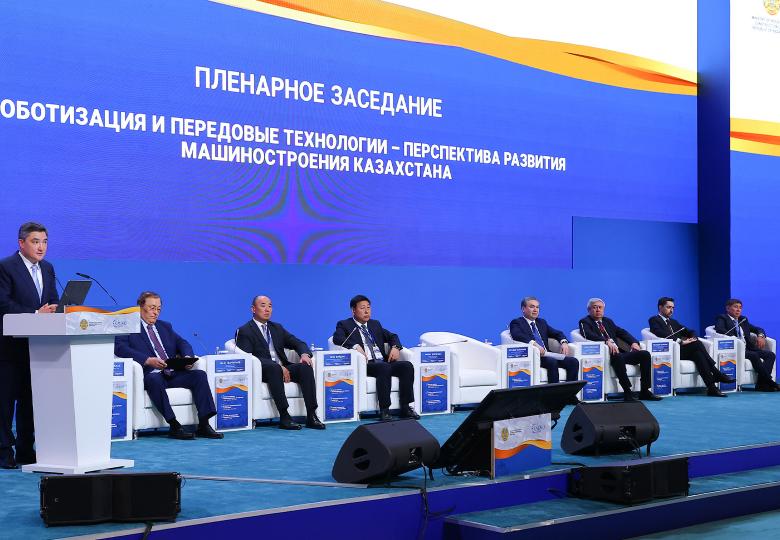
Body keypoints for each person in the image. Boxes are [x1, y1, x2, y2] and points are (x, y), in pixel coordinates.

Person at [114, 291, 223, 440]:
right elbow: (120, 348)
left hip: (171, 372)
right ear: (140, 307)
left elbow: (183, 343)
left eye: (158, 309)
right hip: (150, 373)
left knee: (199, 375)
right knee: (154, 379)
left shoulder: (165, 326)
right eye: (152, 308)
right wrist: (147, 360)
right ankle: (174, 425)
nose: (156, 312)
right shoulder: (128, 326)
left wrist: (187, 357)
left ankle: (204, 424)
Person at [0, 222, 59, 469]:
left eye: (44, 242)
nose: (41, 247)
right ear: (21, 243)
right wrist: (35, 314)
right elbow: (3, 304)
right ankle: (3, 452)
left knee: (30, 402)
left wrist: (57, 308)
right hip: (8, 348)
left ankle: (26, 449)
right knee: (5, 403)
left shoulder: (47, 268)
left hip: (38, 348)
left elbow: (52, 299)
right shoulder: (5, 267)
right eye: (35, 241)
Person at [235, 295, 324, 430]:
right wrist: (278, 367)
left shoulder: (277, 328)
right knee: (274, 369)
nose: (267, 309)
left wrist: (304, 354)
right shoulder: (245, 330)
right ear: (253, 309)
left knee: (305, 367)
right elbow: (248, 357)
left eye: (270, 306)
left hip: (283, 367)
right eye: (263, 305)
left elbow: (298, 343)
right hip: (262, 370)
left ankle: (311, 415)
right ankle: (284, 416)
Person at [332, 295, 418, 421]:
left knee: (406, 366)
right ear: (353, 310)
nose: (366, 311)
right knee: (384, 368)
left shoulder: (375, 324)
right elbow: (337, 338)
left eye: (368, 307)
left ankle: (405, 407)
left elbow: (392, 336)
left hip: (383, 362)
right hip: (366, 364)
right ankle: (385, 410)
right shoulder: (345, 324)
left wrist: (395, 347)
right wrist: (355, 346)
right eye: (362, 308)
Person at [579, 298, 662, 402]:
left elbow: (622, 332)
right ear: (589, 310)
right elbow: (587, 334)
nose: (598, 310)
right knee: (617, 355)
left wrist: (633, 342)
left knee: (644, 354)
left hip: (619, 354)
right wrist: (606, 341)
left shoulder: (608, 321)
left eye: (600, 307)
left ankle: (645, 391)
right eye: (595, 307)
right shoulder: (584, 322)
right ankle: (627, 391)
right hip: (605, 356)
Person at [649, 297, 733, 397]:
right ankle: (716, 372)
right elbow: (659, 332)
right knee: (697, 344)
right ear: (660, 307)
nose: (671, 310)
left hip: (681, 351)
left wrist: (692, 337)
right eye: (668, 307)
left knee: (698, 355)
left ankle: (712, 388)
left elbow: (689, 331)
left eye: (673, 308)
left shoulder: (673, 322)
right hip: (669, 352)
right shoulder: (654, 320)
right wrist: (680, 341)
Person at [509, 296, 579, 383]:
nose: (535, 310)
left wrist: (564, 342)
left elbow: (557, 333)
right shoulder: (517, 322)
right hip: (534, 356)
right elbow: (517, 335)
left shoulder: (541, 322)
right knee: (552, 361)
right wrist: (535, 344)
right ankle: (554, 391)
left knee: (573, 361)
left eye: (537, 307)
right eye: (532, 307)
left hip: (548, 354)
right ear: (523, 309)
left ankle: (569, 391)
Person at [714, 298, 779, 392]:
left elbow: (757, 329)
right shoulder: (722, 318)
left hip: (748, 348)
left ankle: (762, 385)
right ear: (728, 308)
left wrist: (760, 336)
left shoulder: (743, 320)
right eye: (735, 307)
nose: (738, 310)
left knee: (770, 355)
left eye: (740, 308)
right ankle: (771, 382)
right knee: (754, 355)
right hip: (736, 349)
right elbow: (720, 329)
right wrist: (735, 338)